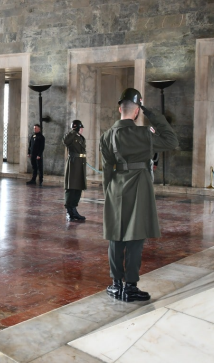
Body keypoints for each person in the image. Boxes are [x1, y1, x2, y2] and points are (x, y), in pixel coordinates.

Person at [100, 88, 179, 302]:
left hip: (115, 187)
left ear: (120, 108)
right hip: (139, 188)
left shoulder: (106, 136)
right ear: (137, 111)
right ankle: (131, 286)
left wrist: (110, 191)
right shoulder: (144, 134)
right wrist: (151, 114)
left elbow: (107, 170)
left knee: (116, 236)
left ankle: (116, 284)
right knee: (135, 237)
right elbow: (172, 141)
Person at [63, 120, 87, 222]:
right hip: (73, 164)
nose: (82, 130)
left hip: (80, 164)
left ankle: (74, 210)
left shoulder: (80, 138)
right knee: (71, 187)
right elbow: (65, 141)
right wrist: (73, 130)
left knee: (78, 188)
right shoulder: (71, 136)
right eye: (80, 128)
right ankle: (69, 211)